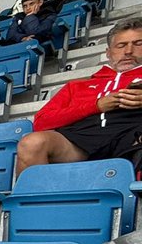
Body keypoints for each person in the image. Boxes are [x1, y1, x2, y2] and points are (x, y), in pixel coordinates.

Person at [16, 17, 142, 174]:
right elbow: (41, 122)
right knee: (32, 143)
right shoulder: (76, 86)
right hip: (81, 140)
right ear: (108, 53)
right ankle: (37, 198)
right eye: (121, 45)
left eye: (138, 44)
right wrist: (96, 106)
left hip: (132, 135)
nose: (128, 51)